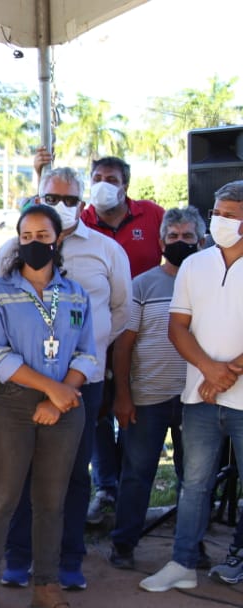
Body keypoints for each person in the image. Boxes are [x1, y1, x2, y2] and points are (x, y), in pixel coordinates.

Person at [0, 167, 131, 590]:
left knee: (72, 474)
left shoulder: (106, 250)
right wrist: (46, 384)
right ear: (38, 199)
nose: (61, 206)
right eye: (52, 198)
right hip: (23, 383)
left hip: (82, 382)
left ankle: (68, 561)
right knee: (21, 472)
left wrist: (75, 374)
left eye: (70, 200)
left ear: (82, 204)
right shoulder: (11, 250)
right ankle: (18, 557)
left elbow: (120, 312)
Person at [0, 205, 99, 608]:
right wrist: (51, 390)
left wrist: (59, 397)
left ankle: (47, 588)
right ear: (17, 241)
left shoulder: (75, 294)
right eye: (26, 236)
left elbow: (87, 353)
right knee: (0, 500)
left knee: (52, 502)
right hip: (13, 406)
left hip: (65, 407)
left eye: (43, 236)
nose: (34, 243)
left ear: (58, 240)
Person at [142, 181, 243, 592]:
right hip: (200, 397)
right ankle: (182, 563)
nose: (220, 221)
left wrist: (226, 374)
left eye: (230, 215)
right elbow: (177, 327)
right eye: (217, 213)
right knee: (194, 485)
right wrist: (208, 370)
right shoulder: (194, 266)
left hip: (232, 396)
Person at [109, 208, 205, 571]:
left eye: (188, 236)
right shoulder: (142, 285)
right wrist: (123, 395)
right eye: (173, 236)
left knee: (193, 478)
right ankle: (123, 543)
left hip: (197, 398)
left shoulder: (209, 285)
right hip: (148, 398)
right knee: (137, 473)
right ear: (161, 241)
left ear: (201, 241)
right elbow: (123, 345)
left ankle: (191, 546)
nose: (180, 242)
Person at [81, 156, 167, 522]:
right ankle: (106, 487)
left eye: (111, 178)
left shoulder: (152, 215)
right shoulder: (81, 218)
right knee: (98, 409)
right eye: (97, 177)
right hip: (96, 332)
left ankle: (131, 489)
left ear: (125, 185)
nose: (103, 183)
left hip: (144, 333)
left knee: (134, 404)